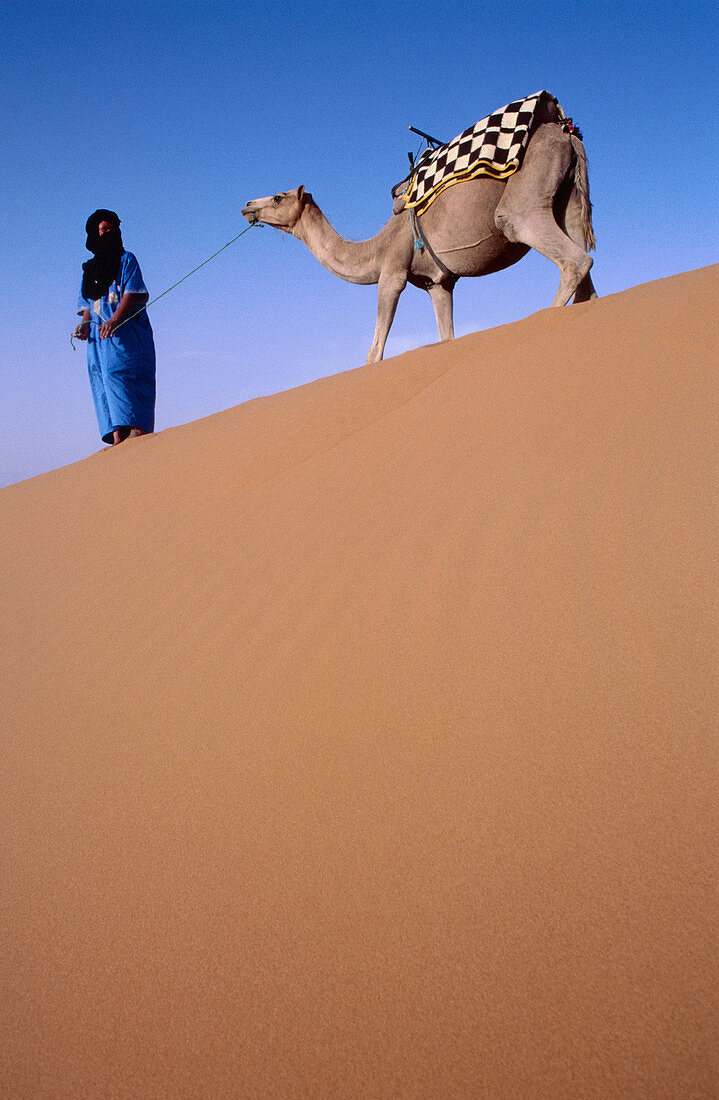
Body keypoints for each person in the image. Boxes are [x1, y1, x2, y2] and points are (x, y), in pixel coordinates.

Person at [73, 210, 156, 446]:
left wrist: (115, 320)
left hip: (127, 332)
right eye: (104, 230)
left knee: (125, 374)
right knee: (102, 378)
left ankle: (137, 430)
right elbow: (88, 304)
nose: (109, 234)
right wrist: (83, 325)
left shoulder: (127, 260)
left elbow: (131, 293)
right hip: (98, 338)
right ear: (95, 234)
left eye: (112, 229)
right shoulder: (89, 271)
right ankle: (117, 436)